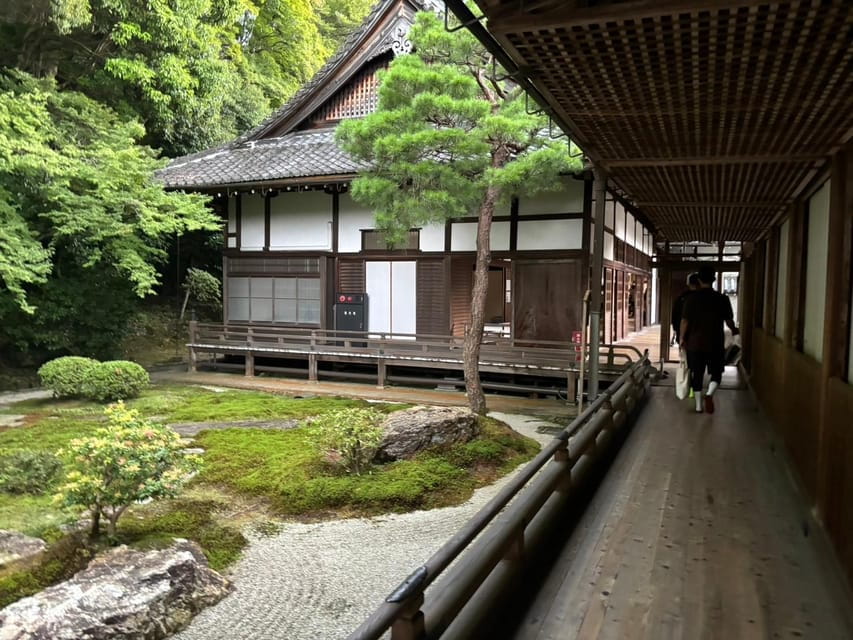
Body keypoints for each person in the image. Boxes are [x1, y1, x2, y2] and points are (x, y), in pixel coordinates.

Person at [679, 266, 739, 414]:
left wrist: (681, 338)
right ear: (713, 279)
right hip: (715, 343)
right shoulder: (722, 299)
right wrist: (734, 330)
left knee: (696, 374)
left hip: (695, 343)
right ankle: (709, 394)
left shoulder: (691, 299)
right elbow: (729, 321)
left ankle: (699, 406)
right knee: (717, 373)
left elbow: (684, 321)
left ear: (699, 280)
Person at [671, 272, 700, 345]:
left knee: (686, 354)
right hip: (701, 334)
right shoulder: (705, 297)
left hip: (684, 332)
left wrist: (677, 331)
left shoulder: (683, 297)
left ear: (688, 283)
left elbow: (675, 314)